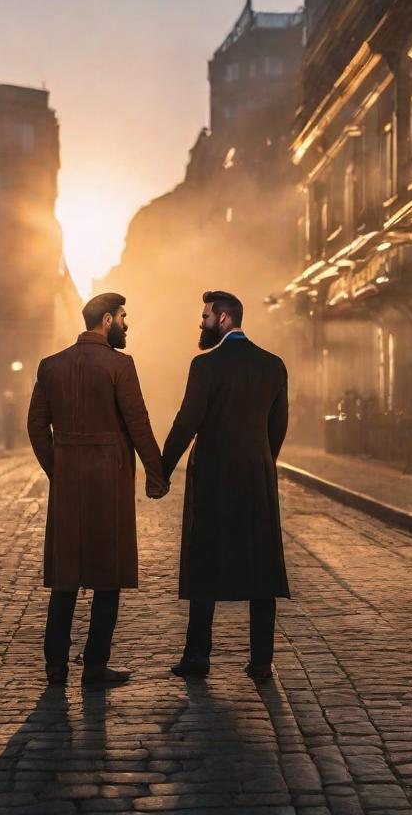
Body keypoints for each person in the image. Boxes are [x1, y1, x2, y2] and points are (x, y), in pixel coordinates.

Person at [28, 291, 168, 688]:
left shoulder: (50, 366)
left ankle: (55, 666)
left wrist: (58, 468)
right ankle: (94, 666)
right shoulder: (119, 365)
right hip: (110, 480)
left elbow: (36, 425)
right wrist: (156, 475)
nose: (126, 324)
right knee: (108, 575)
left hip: (69, 482)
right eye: (123, 317)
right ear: (107, 320)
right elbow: (138, 422)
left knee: (66, 575)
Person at [162, 290, 290, 683]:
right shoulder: (273, 365)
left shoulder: (206, 366)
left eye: (205, 317)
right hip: (256, 476)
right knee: (261, 567)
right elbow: (278, 424)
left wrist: (162, 470)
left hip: (214, 476)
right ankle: (262, 661)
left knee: (205, 562)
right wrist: (262, 459)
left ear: (223, 319)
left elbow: (187, 421)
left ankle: (198, 656)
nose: (200, 323)